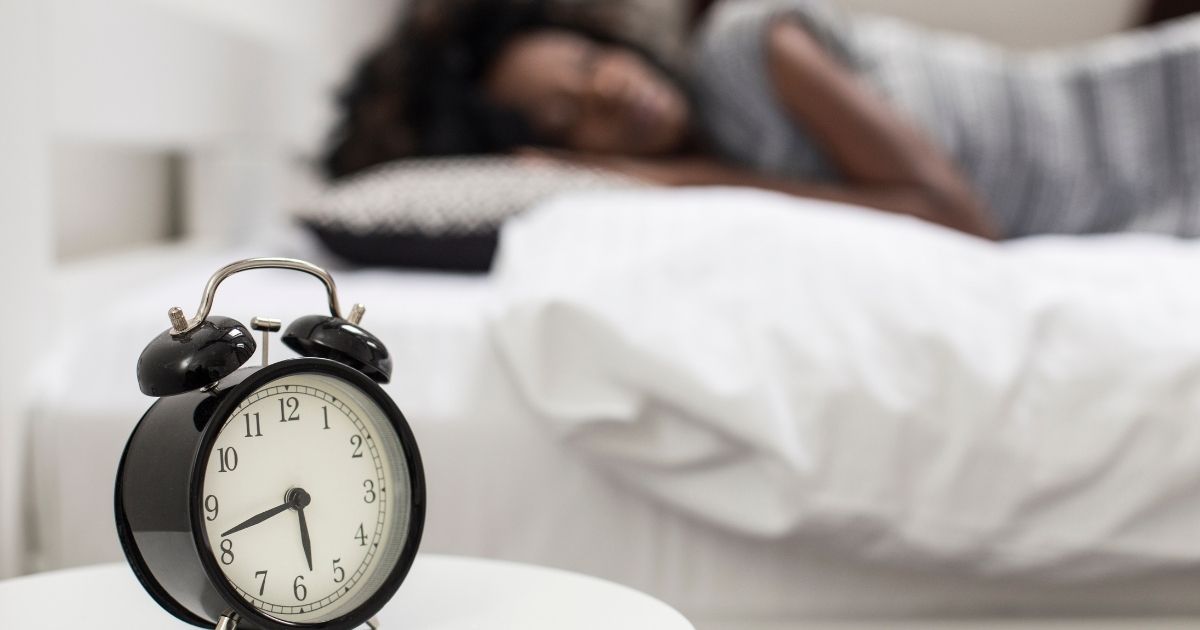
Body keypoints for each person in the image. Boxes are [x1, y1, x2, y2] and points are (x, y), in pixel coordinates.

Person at [324, 0, 1200, 240]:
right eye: (570, 111)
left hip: (1158, 115)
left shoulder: (748, 44)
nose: (613, 91)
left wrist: (679, 182)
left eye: (593, 63)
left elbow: (955, 216)